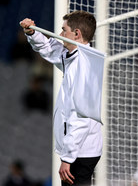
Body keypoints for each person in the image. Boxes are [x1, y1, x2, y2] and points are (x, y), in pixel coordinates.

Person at [20, 10, 103, 186]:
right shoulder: (76, 57)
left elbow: (82, 117)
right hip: (81, 150)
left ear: (77, 34)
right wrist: (32, 33)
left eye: (64, 30)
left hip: (80, 153)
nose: (60, 35)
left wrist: (67, 157)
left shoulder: (83, 67)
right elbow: (51, 49)